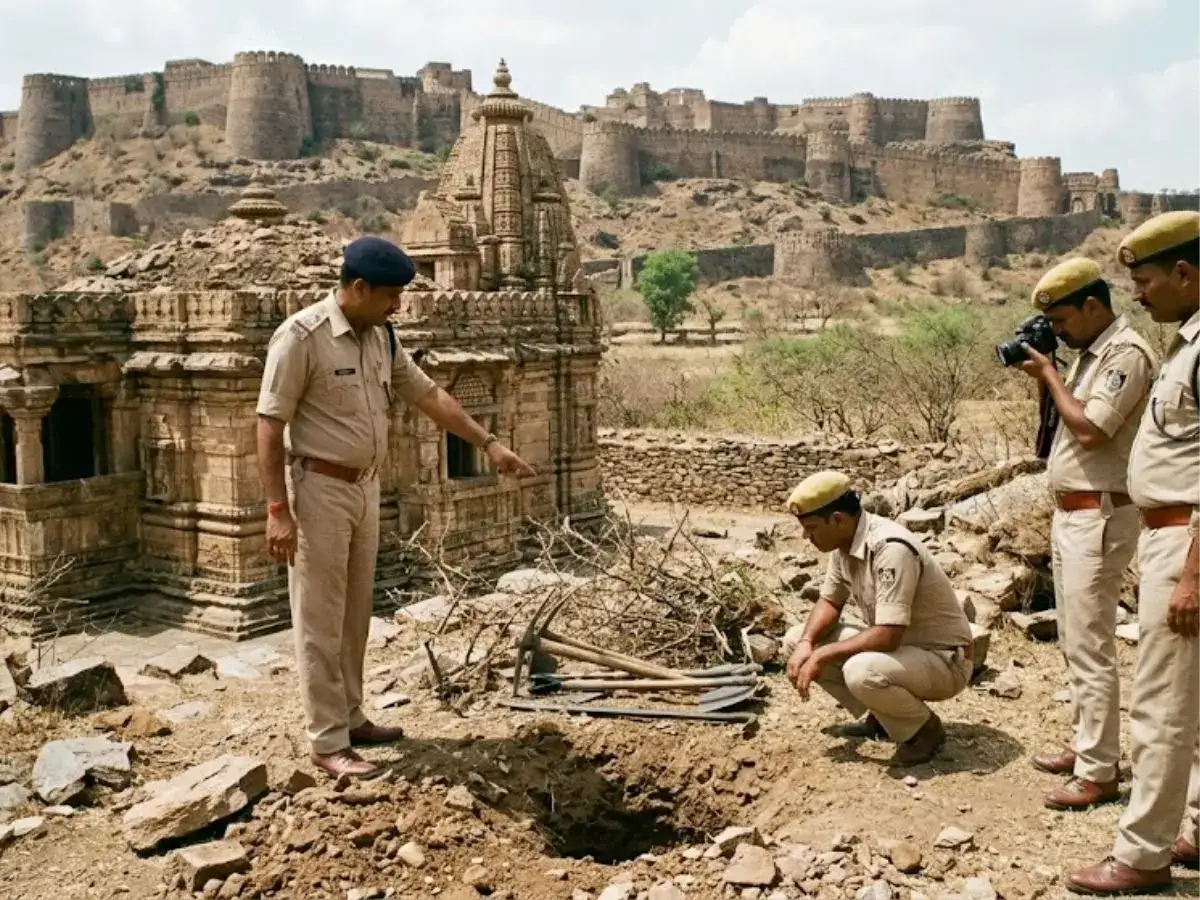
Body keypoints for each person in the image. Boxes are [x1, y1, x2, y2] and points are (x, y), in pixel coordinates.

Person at [256, 235, 536, 779]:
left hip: (364, 488)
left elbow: (430, 396)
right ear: (357, 288)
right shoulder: (300, 337)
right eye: (390, 296)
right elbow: (269, 425)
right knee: (319, 615)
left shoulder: (380, 338)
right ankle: (327, 740)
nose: (397, 306)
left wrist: (489, 445)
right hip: (318, 489)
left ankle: (353, 716)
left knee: (356, 610)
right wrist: (276, 509)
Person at [1068, 210, 1200, 895]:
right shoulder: (1185, 342)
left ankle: (1143, 856)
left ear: (1183, 273)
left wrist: (1191, 576)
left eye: (1145, 280)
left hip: (1186, 544)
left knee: (1162, 707)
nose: (1139, 294)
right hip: (1172, 536)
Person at [1014, 257, 1156, 811]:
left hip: (1098, 516)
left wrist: (1048, 372)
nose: (1059, 332)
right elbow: (1061, 427)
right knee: (1075, 640)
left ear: (1094, 306)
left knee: (1091, 645)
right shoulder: (1090, 356)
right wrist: (1049, 375)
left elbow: (1094, 431)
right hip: (1073, 514)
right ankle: (1088, 747)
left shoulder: (1126, 355)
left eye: (1064, 320)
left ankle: (1099, 773)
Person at [781, 470, 974, 766]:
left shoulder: (890, 548)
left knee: (861, 670)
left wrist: (823, 655)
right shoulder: (844, 544)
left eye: (812, 528)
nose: (807, 537)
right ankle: (885, 718)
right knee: (796, 640)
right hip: (902, 654)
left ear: (837, 520)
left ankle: (924, 731)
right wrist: (808, 642)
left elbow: (888, 635)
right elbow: (830, 601)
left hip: (944, 660)